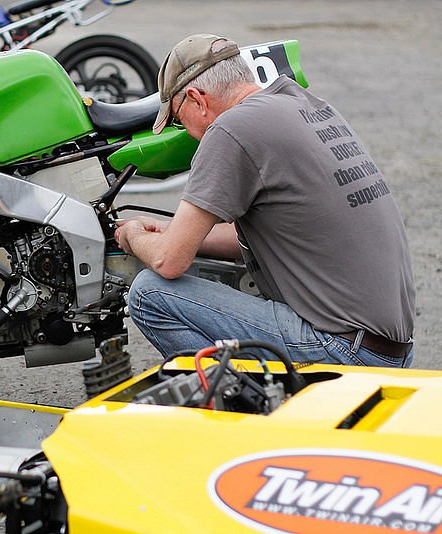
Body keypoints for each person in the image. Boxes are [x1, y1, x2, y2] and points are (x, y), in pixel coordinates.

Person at [114, 33, 415, 368]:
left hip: (343, 350)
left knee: (150, 292)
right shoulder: (304, 105)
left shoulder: (230, 130)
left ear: (197, 100)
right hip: (392, 349)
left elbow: (169, 262)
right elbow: (273, 235)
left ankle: (234, 404)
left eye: (177, 119)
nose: (185, 133)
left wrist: (133, 236)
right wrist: (173, 231)